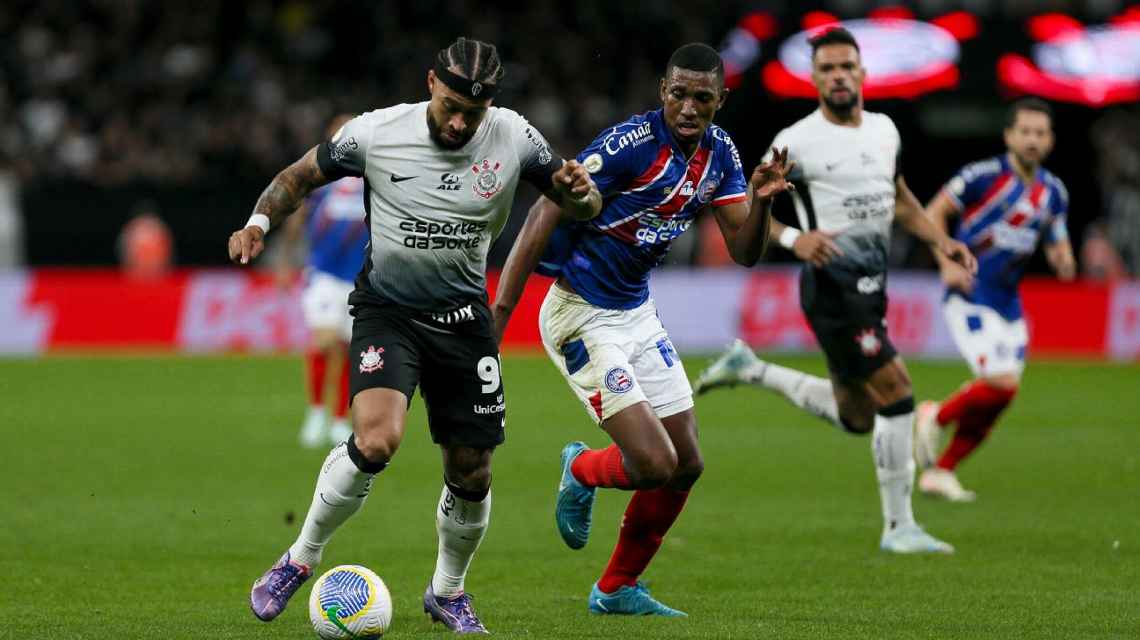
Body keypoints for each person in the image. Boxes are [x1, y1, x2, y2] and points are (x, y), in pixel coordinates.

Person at [228, 37, 601, 633]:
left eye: (471, 113)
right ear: (431, 83)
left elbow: (576, 203)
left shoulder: (515, 137)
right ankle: (299, 558)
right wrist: (258, 222)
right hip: (388, 311)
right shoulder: (375, 133)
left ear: (490, 107)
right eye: (450, 104)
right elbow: (298, 177)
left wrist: (584, 196)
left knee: (472, 470)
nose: (458, 121)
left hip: (463, 320)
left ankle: (447, 591)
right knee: (376, 441)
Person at [492, 43, 791, 616]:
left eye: (702, 98)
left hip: (636, 313)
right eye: (678, 94)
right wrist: (500, 319)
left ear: (719, 101)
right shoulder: (631, 145)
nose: (688, 107)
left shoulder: (720, 153)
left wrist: (762, 202)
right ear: (663, 91)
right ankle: (579, 468)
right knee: (654, 464)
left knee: (688, 464)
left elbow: (745, 251)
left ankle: (615, 590)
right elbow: (546, 208)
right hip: (579, 314)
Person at [693, 28, 976, 554]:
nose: (839, 76)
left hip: (872, 287)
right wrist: (795, 238)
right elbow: (745, 210)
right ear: (815, 78)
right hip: (831, 289)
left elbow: (899, 198)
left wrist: (942, 243)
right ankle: (899, 528)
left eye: (846, 66)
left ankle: (750, 368)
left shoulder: (886, 130)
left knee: (859, 414)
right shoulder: (795, 141)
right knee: (898, 392)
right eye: (827, 69)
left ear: (863, 73)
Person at [913, 98, 1075, 501]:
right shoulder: (982, 176)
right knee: (999, 382)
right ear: (1009, 135)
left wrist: (1064, 259)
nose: (1033, 139)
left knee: (1002, 397)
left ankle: (942, 472)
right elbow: (933, 212)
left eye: (1041, 133)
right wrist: (946, 261)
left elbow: (1057, 241)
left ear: (1051, 140)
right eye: (1026, 131)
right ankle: (935, 414)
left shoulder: (1054, 192)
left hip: (1008, 301)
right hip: (970, 293)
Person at [276, 114, 369, 448]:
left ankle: (339, 420)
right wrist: (285, 261)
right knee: (323, 341)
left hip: (360, 276)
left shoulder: (374, 174)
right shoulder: (320, 174)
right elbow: (296, 217)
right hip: (324, 273)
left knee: (347, 348)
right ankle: (316, 412)